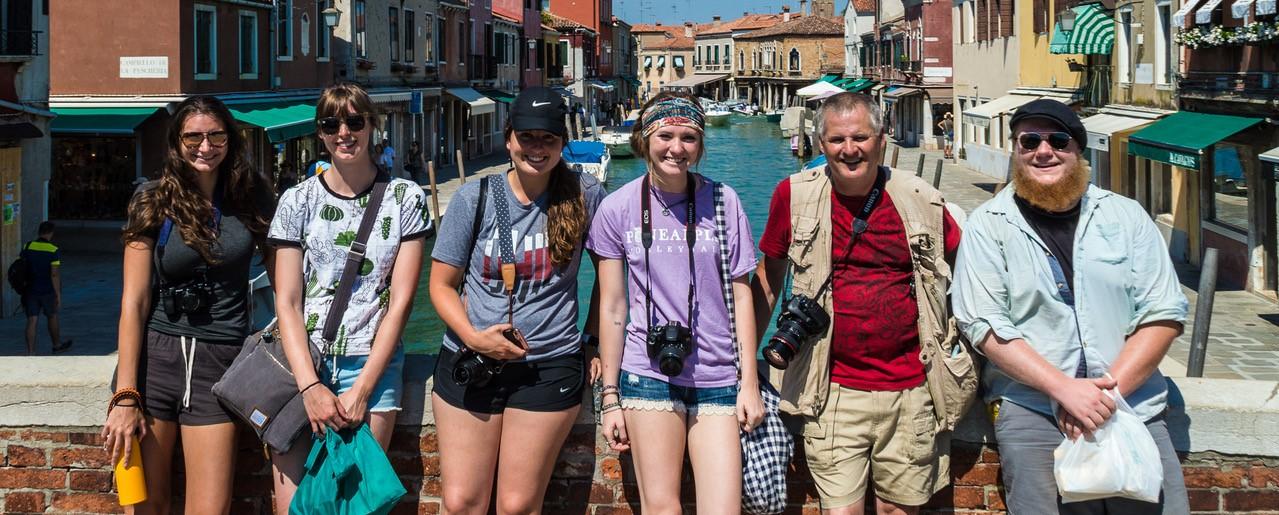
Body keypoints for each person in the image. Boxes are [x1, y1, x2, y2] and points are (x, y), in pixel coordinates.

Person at [951, 99, 1191, 513]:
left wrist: (1104, 397)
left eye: (1058, 140)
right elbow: (984, 325)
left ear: (1077, 149)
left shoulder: (1127, 217)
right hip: (1033, 409)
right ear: (1016, 151)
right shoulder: (988, 225)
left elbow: (1162, 313)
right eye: (1029, 141)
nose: (1043, 151)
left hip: (1131, 404)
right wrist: (1062, 389)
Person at [750, 92, 962, 515]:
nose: (850, 149)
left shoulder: (921, 198)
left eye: (860, 137)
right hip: (831, 389)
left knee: (897, 511)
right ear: (820, 143)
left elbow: (962, 277)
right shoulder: (793, 195)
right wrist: (743, 366)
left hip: (911, 388)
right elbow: (768, 279)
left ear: (881, 140)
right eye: (837, 140)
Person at [428, 86, 607, 514]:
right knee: (461, 502)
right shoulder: (475, 198)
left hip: (548, 366)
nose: (537, 148)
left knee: (516, 505)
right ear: (509, 139)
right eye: (527, 137)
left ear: (562, 143)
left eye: (547, 138)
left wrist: (594, 339)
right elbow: (441, 284)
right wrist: (474, 337)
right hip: (471, 360)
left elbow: (612, 278)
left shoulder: (585, 195)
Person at [589, 91, 764, 514]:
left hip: (718, 374)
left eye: (689, 138)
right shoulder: (617, 207)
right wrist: (610, 397)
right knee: (661, 508)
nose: (676, 148)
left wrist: (750, 383)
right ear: (644, 139)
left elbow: (743, 296)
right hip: (646, 373)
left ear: (700, 146)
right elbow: (612, 307)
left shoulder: (724, 202)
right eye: (665, 135)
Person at [103, 95, 277, 513]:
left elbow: (285, 279)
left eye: (216, 135)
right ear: (176, 142)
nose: (205, 146)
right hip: (155, 364)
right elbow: (134, 300)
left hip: (220, 365)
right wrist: (126, 395)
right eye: (193, 136)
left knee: (210, 509)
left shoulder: (253, 195)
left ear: (231, 139)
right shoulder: (151, 198)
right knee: (144, 506)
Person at [267, 83, 429, 513]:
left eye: (355, 121)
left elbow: (401, 301)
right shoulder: (295, 201)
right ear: (320, 132)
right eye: (331, 123)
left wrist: (363, 388)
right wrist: (310, 387)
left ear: (372, 126)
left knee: (358, 507)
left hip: (369, 366)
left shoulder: (405, 199)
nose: (344, 131)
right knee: (293, 508)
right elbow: (287, 302)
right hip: (300, 365)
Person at [20, 221, 71, 355]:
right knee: (52, 316)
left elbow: (22, 266)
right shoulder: (53, 250)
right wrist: (58, 294)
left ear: (39, 232)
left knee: (32, 319)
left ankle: (31, 352)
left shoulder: (28, 246)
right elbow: (54, 274)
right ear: (51, 233)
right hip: (47, 290)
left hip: (30, 289)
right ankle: (56, 344)